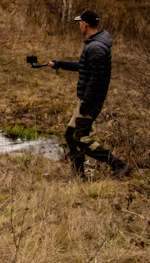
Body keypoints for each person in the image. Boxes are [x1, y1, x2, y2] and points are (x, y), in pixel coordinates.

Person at [46, 10, 129, 178]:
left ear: (86, 24)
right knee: (71, 134)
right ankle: (78, 173)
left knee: (80, 138)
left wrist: (86, 103)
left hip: (90, 100)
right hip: (86, 98)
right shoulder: (94, 44)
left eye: (80, 22)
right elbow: (85, 67)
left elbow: (97, 79)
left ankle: (118, 164)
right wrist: (60, 64)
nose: (79, 25)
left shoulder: (96, 48)